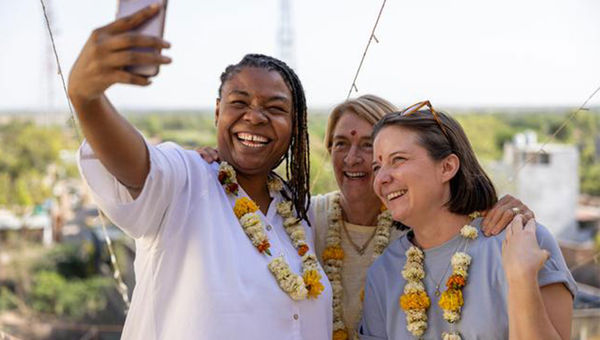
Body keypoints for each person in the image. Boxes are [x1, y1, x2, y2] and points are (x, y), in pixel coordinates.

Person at [68, 5, 331, 340]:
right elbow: (137, 167)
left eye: (275, 108)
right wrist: (87, 98)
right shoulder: (187, 178)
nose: (255, 117)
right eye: (239, 103)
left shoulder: (300, 212)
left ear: (295, 126)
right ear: (217, 111)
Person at [199, 95, 534, 340]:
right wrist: (212, 166)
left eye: (370, 148)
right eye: (341, 144)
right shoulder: (301, 218)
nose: (353, 158)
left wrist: (508, 212)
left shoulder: (421, 227)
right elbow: (244, 220)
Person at [361, 101, 576, 339]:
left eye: (398, 159)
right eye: (377, 166)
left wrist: (521, 277)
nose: (381, 178)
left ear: (447, 167)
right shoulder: (382, 274)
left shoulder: (523, 242)